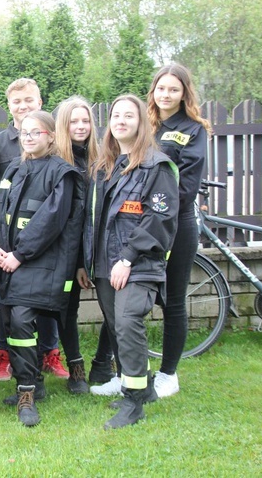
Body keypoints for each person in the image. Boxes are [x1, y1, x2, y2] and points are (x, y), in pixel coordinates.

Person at [81, 94, 179, 429]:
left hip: (138, 264)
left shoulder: (157, 166)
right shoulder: (105, 167)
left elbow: (159, 220)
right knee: (115, 324)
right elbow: (93, 220)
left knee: (127, 320)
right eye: (116, 115)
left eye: (129, 116)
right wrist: (87, 263)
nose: (121, 120)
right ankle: (141, 386)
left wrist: (126, 258)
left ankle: (133, 403)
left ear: (142, 124)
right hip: (105, 265)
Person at [0, 110, 84, 426]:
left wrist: (20, 255)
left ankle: (26, 392)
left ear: (51, 136)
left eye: (35, 132)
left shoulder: (62, 173)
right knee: (12, 322)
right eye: (24, 132)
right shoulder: (14, 168)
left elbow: (50, 221)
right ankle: (34, 384)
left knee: (23, 321)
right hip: (9, 261)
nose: (27, 137)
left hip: (41, 264)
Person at [0, 78, 68, 382]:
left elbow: (54, 210)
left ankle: (49, 354)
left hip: (40, 248)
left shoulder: (57, 152)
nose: (23, 106)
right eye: (16, 102)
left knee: (42, 303)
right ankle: (5, 357)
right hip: (7, 243)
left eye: (28, 100)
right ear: (9, 106)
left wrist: (23, 251)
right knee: (7, 303)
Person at [147, 63, 210, 398]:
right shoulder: (147, 126)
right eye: (161, 88)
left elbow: (186, 183)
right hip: (142, 224)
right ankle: (122, 369)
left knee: (172, 301)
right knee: (132, 296)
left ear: (185, 93)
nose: (166, 95)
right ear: (154, 91)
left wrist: (157, 212)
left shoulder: (194, 130)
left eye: (174, 89)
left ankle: (168, 374)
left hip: (176, 226)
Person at [52, 95, 101, 394]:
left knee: (78, 312)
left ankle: (90, 366)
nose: (80, 126)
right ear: (63, 125)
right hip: (58, 252)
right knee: (60, 311)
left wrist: (85, 261)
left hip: (88, 253)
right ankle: (68, 367)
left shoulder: (100, 161)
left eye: (86, 121)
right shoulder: (56, 162)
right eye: (74, 121)